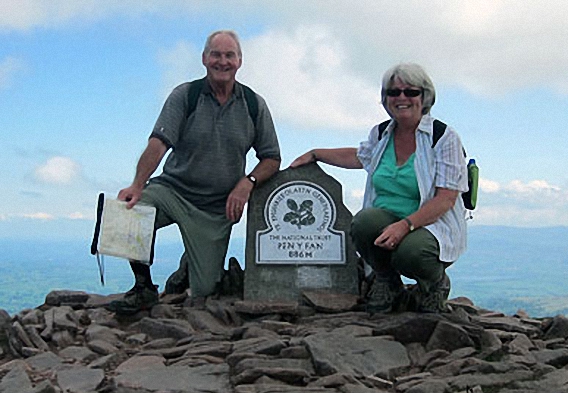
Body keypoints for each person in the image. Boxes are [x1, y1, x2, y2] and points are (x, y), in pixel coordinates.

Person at [108, 30, 281, 315]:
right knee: (127, 214)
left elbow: (271, 157)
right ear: (204, 59)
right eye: (216, 54)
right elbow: (158, 143)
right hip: (172, 191)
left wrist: (246, 183)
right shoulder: (185, 95)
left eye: (229, 55)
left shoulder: (253, 104)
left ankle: (192, 264)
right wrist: (137, 185)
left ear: (239, 61)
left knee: (203, 290)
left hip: (215, 208)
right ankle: (143, 288)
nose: (222, 61)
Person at [290, 63, 467, 313]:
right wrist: (316, 154)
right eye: (394, 92)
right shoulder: (383, 133)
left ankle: (433, 285)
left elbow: (446, 199)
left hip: (430, 225)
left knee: (411, 253)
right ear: (385, 99)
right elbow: (358, 157)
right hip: (389, 218)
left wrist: (405, 225)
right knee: (363, 224)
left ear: (424, 96)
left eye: (411, 92)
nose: (402, 98)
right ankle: (387, 282)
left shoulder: (443, 137)